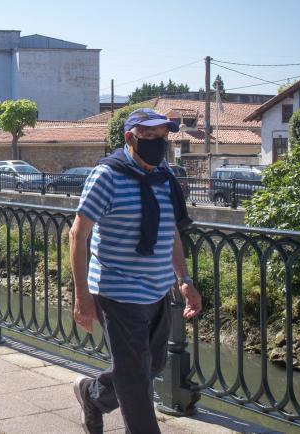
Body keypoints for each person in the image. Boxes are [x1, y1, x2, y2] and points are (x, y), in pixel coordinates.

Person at [69, 108, 202, 434]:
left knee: (152, 365)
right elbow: (78, 233)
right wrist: (82, 296)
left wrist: (183, 280)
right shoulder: (107, 176)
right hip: (117, 292)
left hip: (157, 291)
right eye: (149, 136)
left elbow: (170, 230)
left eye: (162, 137)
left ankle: (92, 394)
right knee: (136, 382)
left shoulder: (163, 175)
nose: (158, 143)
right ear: (130, 138)